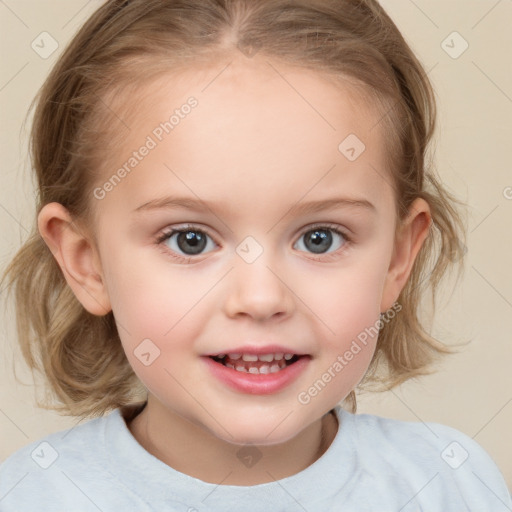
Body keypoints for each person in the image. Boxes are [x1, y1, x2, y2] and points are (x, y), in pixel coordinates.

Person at [0, 0, 510, 510]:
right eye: (190, 240)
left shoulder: (450, 485)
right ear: (86, 262)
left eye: (320, 238)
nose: (262, 298)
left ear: (398, 258)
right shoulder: (29, 496)